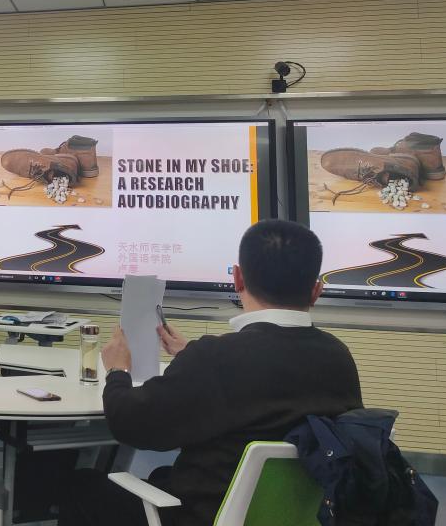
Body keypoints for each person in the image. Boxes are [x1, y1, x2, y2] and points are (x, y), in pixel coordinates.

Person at [59, 219, 364, 526]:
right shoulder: (338, 358)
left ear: (238, 278)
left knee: (81, 488)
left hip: (205, 515)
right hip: (302, 517)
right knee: (162, 474)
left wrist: (117, 370)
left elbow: (129, 423)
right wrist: (191, 355)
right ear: (316, 290)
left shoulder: (217, 358)